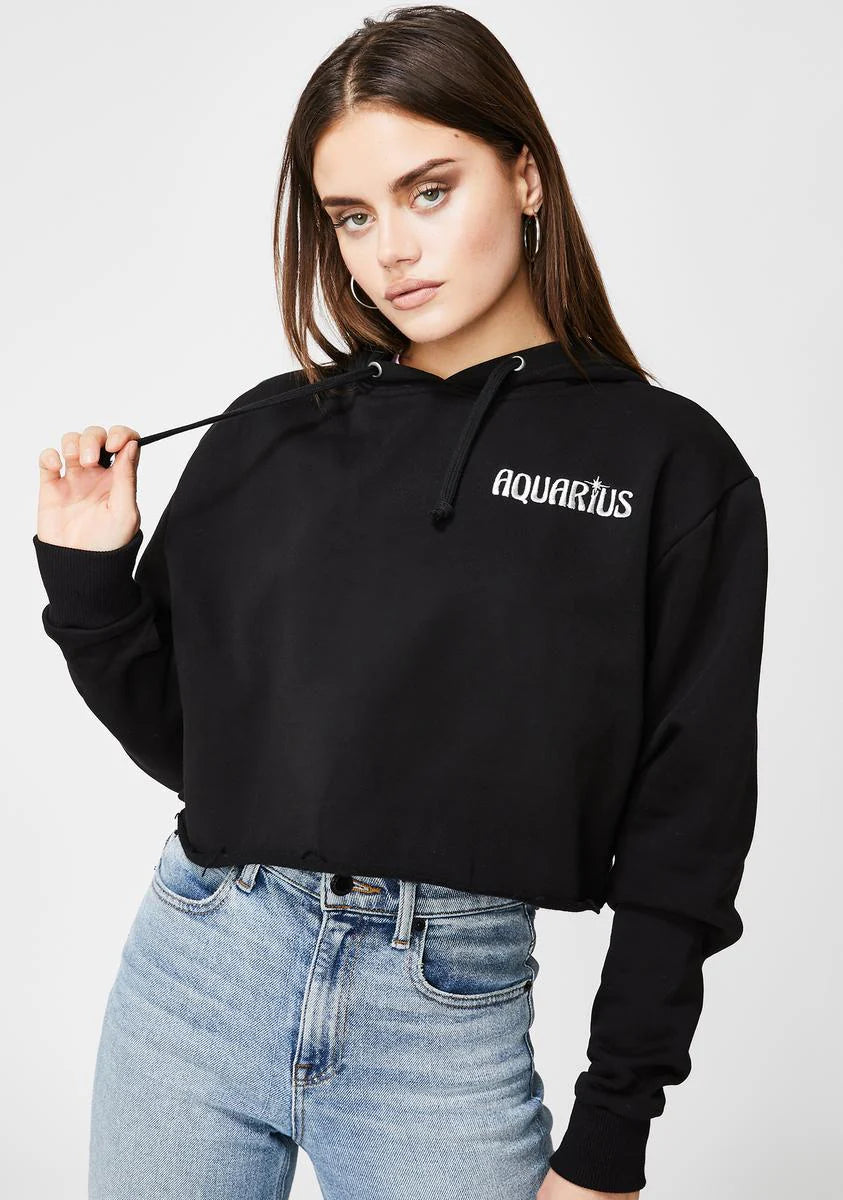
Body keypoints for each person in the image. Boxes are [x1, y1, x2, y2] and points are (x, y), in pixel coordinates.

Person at [32, 7, 768, 1199]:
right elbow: (200, 755)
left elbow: (691, 823)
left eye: (430, 191)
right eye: (353, 216)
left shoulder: (669, 466)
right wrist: (87, 577)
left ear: (525, 174)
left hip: (444, 1019)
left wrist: (612, 1134)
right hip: (196, 974)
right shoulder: (275, 430)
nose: (391, 252)